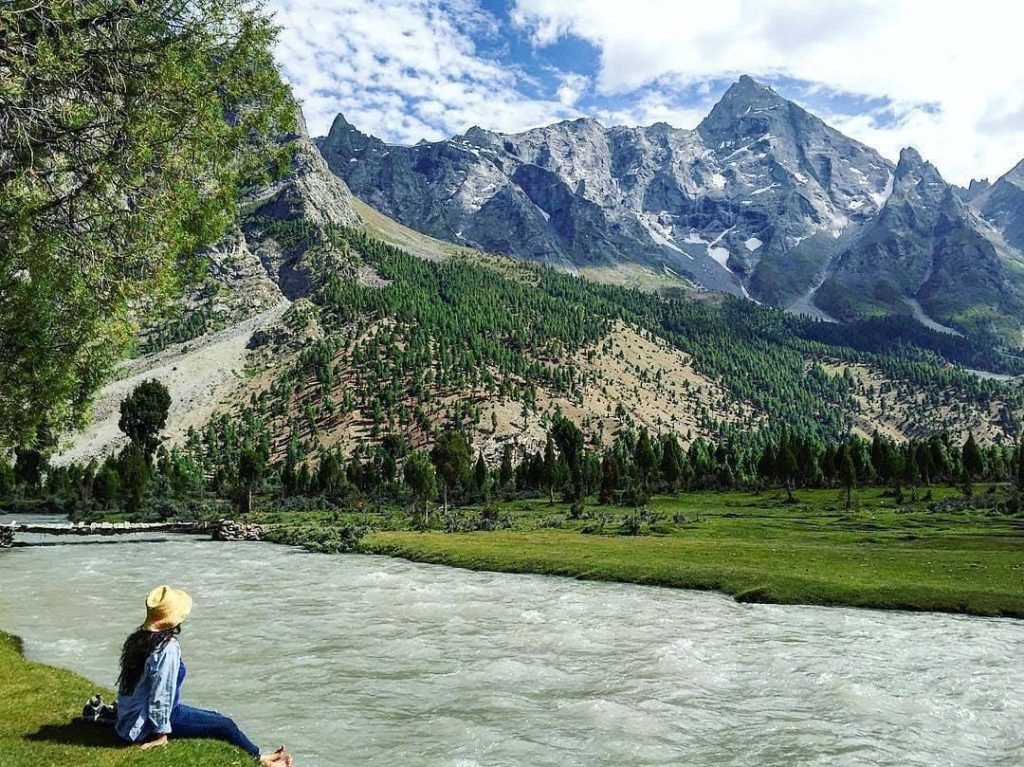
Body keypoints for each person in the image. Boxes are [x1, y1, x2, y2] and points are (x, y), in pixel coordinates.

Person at [115, 585, 293, 766]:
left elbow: (128, 687)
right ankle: (262, 762)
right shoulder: (166, 648)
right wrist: (161, 734)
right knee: (225, 725)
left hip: (129, 720)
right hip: (146, 725)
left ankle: (260, 756)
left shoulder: (139, 639)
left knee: (215, 717)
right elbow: (161, 694)